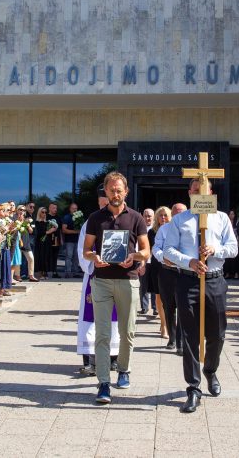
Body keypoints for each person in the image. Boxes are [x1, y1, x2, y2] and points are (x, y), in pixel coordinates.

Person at [163, 178, 238, 413]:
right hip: (188, 281)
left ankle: (210, 371)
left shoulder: (222, 217)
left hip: (215, 279)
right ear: (189, 193)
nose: (199, 193)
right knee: (189, 336)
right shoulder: (179, 220)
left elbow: (234, 248)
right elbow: (168, 250)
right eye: (195, 190)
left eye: (203, 190)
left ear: (211, 192)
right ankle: (193, 387)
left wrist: (216, 249)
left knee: (218, 334)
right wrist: (190, 261)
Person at [83, 171, 150, 404]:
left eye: (119, 190)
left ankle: (124, 369)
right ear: (106, 191)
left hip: (128, 279)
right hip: (101, 281)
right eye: (111, 190)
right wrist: (95, 258)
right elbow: (86, 250)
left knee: (127, 331)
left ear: (126, 191)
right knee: (102, 333)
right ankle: (103, 383)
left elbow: (146, 251)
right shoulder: (95, 218)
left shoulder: (136, 218)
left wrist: (133, 256)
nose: (115, 193)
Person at [76, 184, 120, 375]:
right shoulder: (91, 222)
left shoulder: (122, 220)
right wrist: (93, 262)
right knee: (91, 319)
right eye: (103, 202)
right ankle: (90, 361)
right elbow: (81, 250)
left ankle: (113, 359)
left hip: (117, 277)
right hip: (95, 275)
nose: (106, 206)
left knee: (115, 319)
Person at [153, 203, 187, 355]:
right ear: (172, 214)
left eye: (182, 212)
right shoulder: (164, 229)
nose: (179, 214)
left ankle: (180, 341)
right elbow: (156, 247)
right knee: (169, 306)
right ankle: (172, 338)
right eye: (176, 212)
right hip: (167, 272)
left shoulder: (192, 228)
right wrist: (163, 258)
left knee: (184, 307)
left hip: (185, 273)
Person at [148, 206, 171, 341]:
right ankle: (164, 325)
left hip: (171, 266)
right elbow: (150, 249)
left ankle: (168, 322)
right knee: (159, 297)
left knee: (170, 298)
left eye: (165, 215)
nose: (163, 218)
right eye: (160, 215)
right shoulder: (152, 232)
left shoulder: (174, 230)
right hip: (157, 266)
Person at [139, 208, 156, 315]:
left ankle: (155, 308)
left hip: (154, 262)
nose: (147, 218)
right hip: (142, 261)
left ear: (153, 217)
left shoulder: (155, 230)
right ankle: (144, 307)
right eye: (145, 215)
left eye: (149, 216)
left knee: (155, 285)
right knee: (143, 286)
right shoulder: (139, 229)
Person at [34, 207, 55, 280]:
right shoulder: (37, 222)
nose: (44, 213)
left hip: (47, 241)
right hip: (40, 242)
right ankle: (41, 273)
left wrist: (53, 229)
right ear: (39, 213)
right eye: (42, 212)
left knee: (46, 256)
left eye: (45, 212)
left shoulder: (47, 222)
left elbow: (53, 229)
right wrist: (49, 231)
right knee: (41, 257)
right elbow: (39, 233)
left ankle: (46, 272)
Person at [62, 203, 82, 278]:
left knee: (76, 257)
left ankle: (75, 272)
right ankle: (68, 272)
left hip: (77, 240)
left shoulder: (79, 217)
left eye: (76, 208)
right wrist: (76, 232)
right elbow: (64, 230)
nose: (75, 210)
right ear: (70, 209)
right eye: (73, 208)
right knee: (69, 256)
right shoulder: (67, 217)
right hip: (69, 241)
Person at [47, 203, 62, 278]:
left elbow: (60, 229)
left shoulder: (58, 217)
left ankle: (54, 272)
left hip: (56, 239)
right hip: (48, 239)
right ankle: (46, 271)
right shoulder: (46, 217)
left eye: (56, 208)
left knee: (55, 256)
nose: (55, 209)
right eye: (53, 208)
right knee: (47, 256)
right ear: (49, 208)